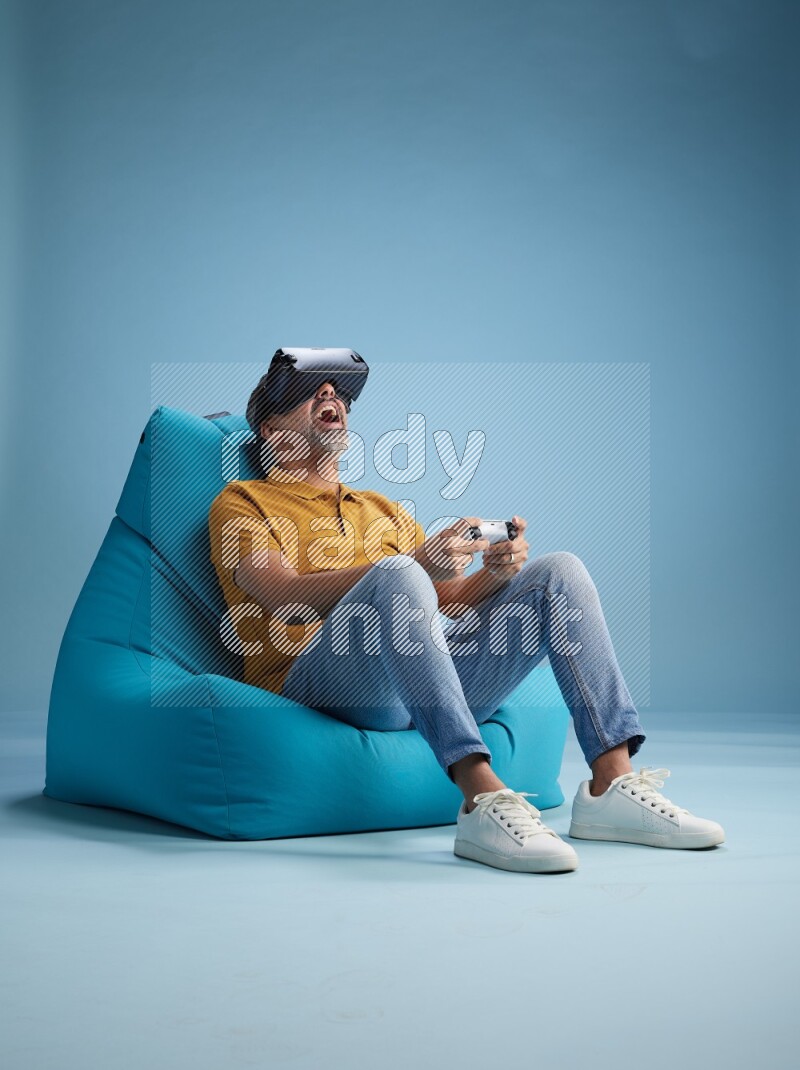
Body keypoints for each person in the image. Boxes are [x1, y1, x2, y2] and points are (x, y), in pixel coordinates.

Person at [208, 352, 725, 873]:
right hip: (323, 684)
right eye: (309, 392)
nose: (330, 397)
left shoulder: (381, 508)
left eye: (337, 393)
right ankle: (480, 796)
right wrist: (412, 562)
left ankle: (610, 782)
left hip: (415, 685)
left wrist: (496, 575)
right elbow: (280, 592)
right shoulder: (242, 502)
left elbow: (447, 601)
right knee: (398, 573)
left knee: (557, 571)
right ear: (272, 429)